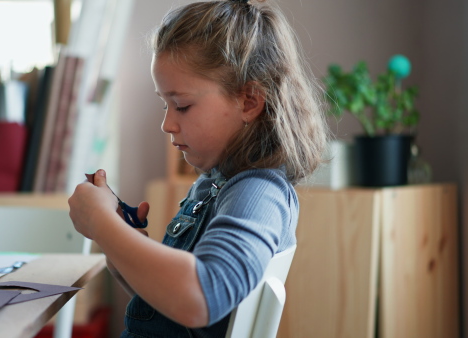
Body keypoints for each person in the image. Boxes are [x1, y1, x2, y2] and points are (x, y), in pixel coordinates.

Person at [68, 0, 328, 336]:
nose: (167, 124)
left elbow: (200, 298)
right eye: (165, 104)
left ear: (249, 101)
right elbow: (167, 305)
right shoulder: (214, 183)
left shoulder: (259, 193)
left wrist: (104, 225)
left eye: (181, 105)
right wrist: (121, 239)